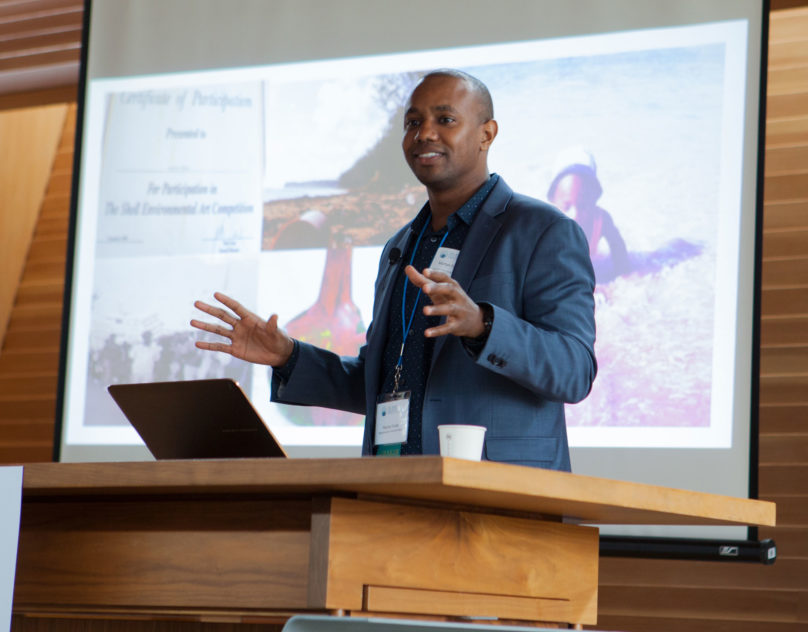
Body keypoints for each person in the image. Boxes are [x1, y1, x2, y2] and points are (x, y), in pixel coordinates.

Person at [192, 70, 596, 471]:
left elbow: (574, 370)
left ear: (486, 134)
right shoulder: (401, 246)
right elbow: (381, 380)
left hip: (498, 493)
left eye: (445, 120)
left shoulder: (543, 231)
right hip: (395, 486)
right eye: (413, 123)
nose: (425, 134)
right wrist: (288, 356)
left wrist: (483, 325)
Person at [547, 148, 632, 283]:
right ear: (552, 202)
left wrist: (625, 280)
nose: (575, 215)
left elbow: (620, 254)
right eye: (567, 207)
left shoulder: (601, 220)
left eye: (582, 206)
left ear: (594, 199)